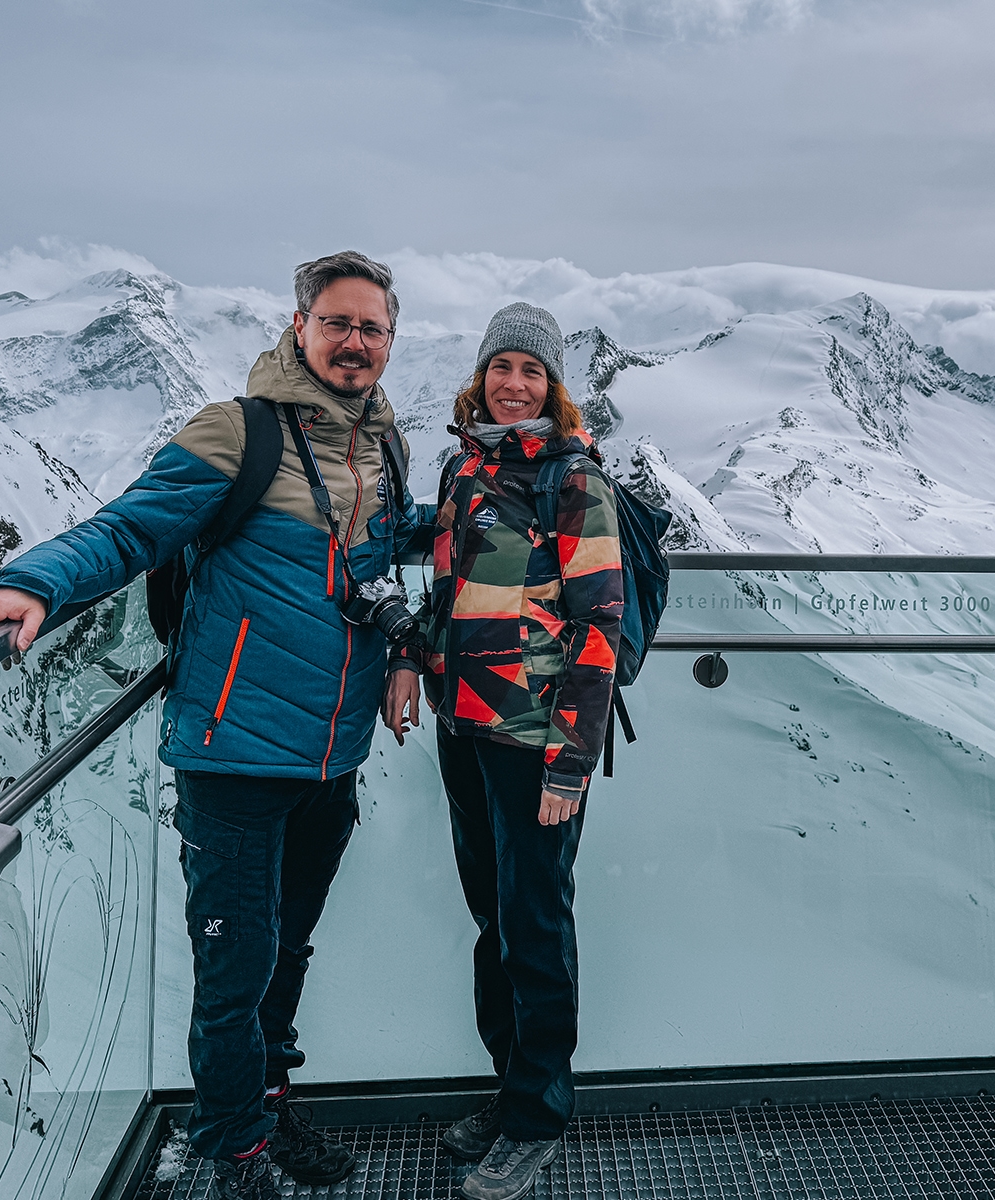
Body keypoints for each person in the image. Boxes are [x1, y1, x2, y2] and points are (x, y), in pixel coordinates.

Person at [0, 252, 426, 1200]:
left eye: (371, 328)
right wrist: (35, 581)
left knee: (287, 948)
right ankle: (232, 1149)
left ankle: (266, 1105)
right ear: (300, 326)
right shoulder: (236, 433)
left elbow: (382, 556)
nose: (354, 342)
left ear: (389, 342)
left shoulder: (384, 446)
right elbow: (133, 529)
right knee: (235, 966)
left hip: (330, 757)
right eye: (337, 323)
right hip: (232, 755)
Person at [381, 303, 623, 1200]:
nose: (512, 384)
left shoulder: (573, 480)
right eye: (500, 367)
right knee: (493, 919)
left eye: (530, 371)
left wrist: (571, 760)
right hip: (465, 730)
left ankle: (537, 1118)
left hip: (534, 745)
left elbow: (600, 624)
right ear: (479, 376)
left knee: (535, 925)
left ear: (552, 388)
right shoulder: (464, 468)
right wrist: (411, 655)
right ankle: (509, 1086)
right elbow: (445, 591)